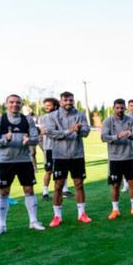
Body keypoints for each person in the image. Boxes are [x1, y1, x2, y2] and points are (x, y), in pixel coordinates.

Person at [0, 95, 45, 237]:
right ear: (6, 104)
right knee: (3, 192)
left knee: (29, 190)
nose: (15, 105)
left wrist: (29, 140)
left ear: (21, 105)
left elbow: (36, 139)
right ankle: (1, 225)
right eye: (12, 102)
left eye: (18, 102)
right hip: (6, 161)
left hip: (24, 160)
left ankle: (33, 221)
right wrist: (4, 139)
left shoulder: (28, 119)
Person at [46, 91, 91, 226]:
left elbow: (86, 132)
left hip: (77, 155)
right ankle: (57, 216)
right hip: (59, 156)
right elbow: (51, 134)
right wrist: (70, 130)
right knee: (58, 186)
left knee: (79, 184)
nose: (68, 103)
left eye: (70, 100)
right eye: (65, 100)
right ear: (60, 102)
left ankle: (82, 214)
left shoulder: (80, 114)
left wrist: (80, 130)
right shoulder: (52, 116)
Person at [102, 99, 133, 220]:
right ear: (114, 108)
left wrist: (130, 134)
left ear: (124, 108)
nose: (120, 110)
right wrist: (117, 136)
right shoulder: (108, 121)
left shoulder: (130, 121)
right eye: (117, 108)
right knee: (116, 185)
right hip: (115, 158)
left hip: (129, 157)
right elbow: (103, 137)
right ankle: (115, 210)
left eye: (122, 108)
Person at [37, 98, 69, 201]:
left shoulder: (61, 116)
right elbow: (44, 132)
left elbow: (63, 131)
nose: (46, 107)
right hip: (49, 147)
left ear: (55, 106)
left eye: (49, 105)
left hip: (61, 147)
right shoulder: (42, 118)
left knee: (63, 169)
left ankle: (65, 190)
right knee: (49, 171)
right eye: (45, 105)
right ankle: (45, 192)